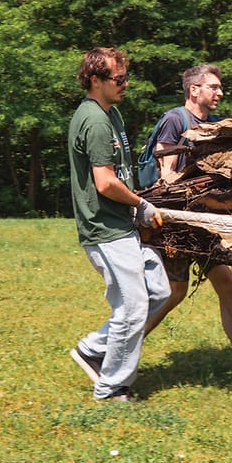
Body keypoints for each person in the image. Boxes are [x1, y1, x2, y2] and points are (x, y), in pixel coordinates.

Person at [142, 63, 232, 374]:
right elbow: (166, 175)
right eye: (213, 86)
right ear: (194, 90)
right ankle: (116, 348)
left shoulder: (214, 124)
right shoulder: (176, 119)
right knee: (173, 292)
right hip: (176, 223)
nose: (220, 92)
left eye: (220, 87)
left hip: (203, 219)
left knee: (226, 285)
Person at [68, 47, 170, 401]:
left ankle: (94, 350)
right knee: (133, 307)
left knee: (159, 291)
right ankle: (111, 388)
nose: (125, 84)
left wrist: (137, 205)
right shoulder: (94, 121)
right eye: (118, 78)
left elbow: (123, 173)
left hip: (122, 225)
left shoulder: (112, 115)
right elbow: (105, 183)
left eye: (126, 77)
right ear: (95, 81)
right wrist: (140, 204)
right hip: (105, 229)